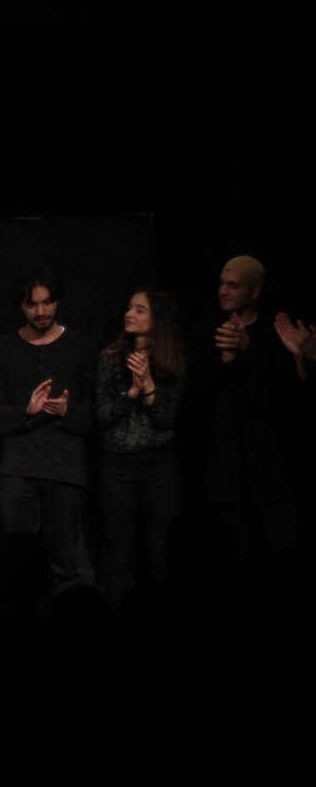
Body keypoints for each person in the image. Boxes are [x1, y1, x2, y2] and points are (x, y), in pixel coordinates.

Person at [190, 256, 309, 582]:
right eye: (221, 283)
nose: (223, 291)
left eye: (233, 285)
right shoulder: (208, 328)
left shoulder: (275, 330)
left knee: (284, 544)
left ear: (255, 292)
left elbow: (288, 394)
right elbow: (195, 390)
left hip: (271, 461)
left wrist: (251, 347)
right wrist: (226, 361)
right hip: (225, 461)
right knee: (233, 552)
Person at [0, 266, 95, 589]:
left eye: (47, 302)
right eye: (32, 304)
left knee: (63, 564)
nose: (40, 311)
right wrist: (26, 411)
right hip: (17, 471)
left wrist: (66, 411)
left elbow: (95, 414)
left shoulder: (80, 347)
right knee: (18, 562)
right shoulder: (4, 349)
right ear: (21, 306)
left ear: (57, 302)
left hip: (65, 470)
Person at [95, 289, 184, 609]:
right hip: (118, 465)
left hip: (159, 465)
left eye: (139, 309)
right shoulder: (110, 357)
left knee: (161, 555)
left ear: (157, 318)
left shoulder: (172, 359)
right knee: (119, 555)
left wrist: (148, 386)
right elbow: (102, 418)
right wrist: (131, 392)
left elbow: (166, 420)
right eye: (129, 307)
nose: (129, 314)